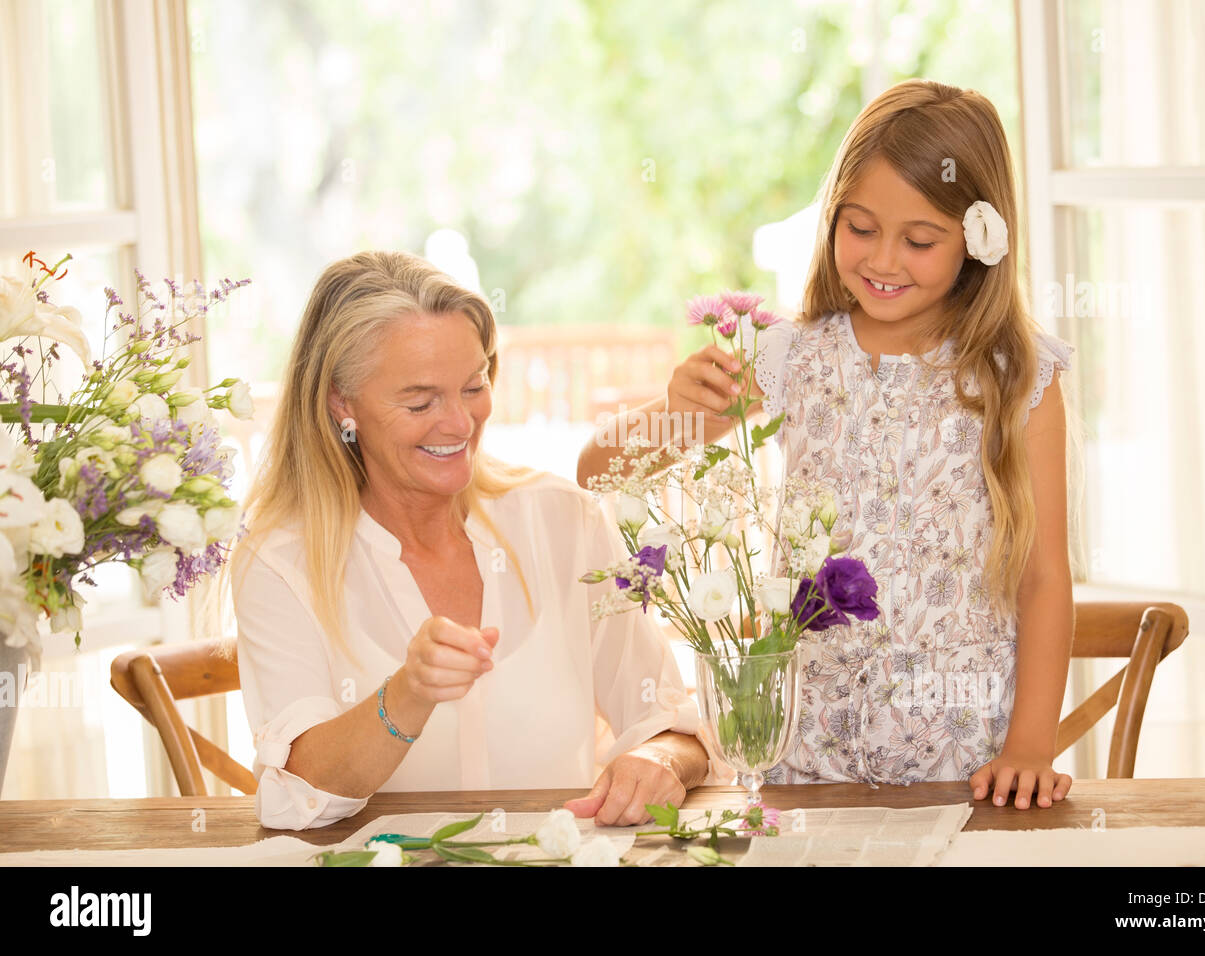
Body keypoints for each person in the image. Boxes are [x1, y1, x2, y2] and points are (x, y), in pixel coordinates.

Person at [578, 79, 1078, 811]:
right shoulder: (791, 356)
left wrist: (1031, 746)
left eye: (919, 240)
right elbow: (598, 470)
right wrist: (671, 408)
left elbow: (1043, 578)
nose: (884, 260)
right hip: (809, 760)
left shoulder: (1019, 376)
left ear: (978, 238)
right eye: (861, 227)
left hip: (966, 763)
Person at [231, 250, 708, 831]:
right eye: (420, 401)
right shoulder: (280, 562)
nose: (459, 423)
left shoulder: (564, 522)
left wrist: (657, 759)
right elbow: (301, 790)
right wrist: (407, 694)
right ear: (342, 403)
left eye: (473, 386)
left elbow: (671, 723)